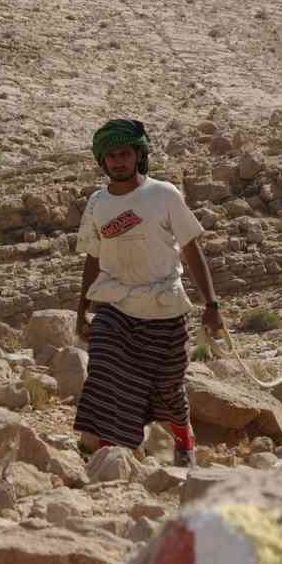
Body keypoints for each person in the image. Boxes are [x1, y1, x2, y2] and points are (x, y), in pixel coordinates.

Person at [73, 119, 223, 467]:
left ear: (139, 155)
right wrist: (81, 310)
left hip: (164, 307)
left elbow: (191, 249)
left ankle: (184, 438)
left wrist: (211, 303)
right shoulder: (97, 204)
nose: (117, 161)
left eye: (124, 153)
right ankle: (108, 453)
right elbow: (92, 258)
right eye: (110, 156)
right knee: (106, 371)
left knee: (168, 389)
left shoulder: (164, 194)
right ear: (102, 161)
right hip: (116, 305)